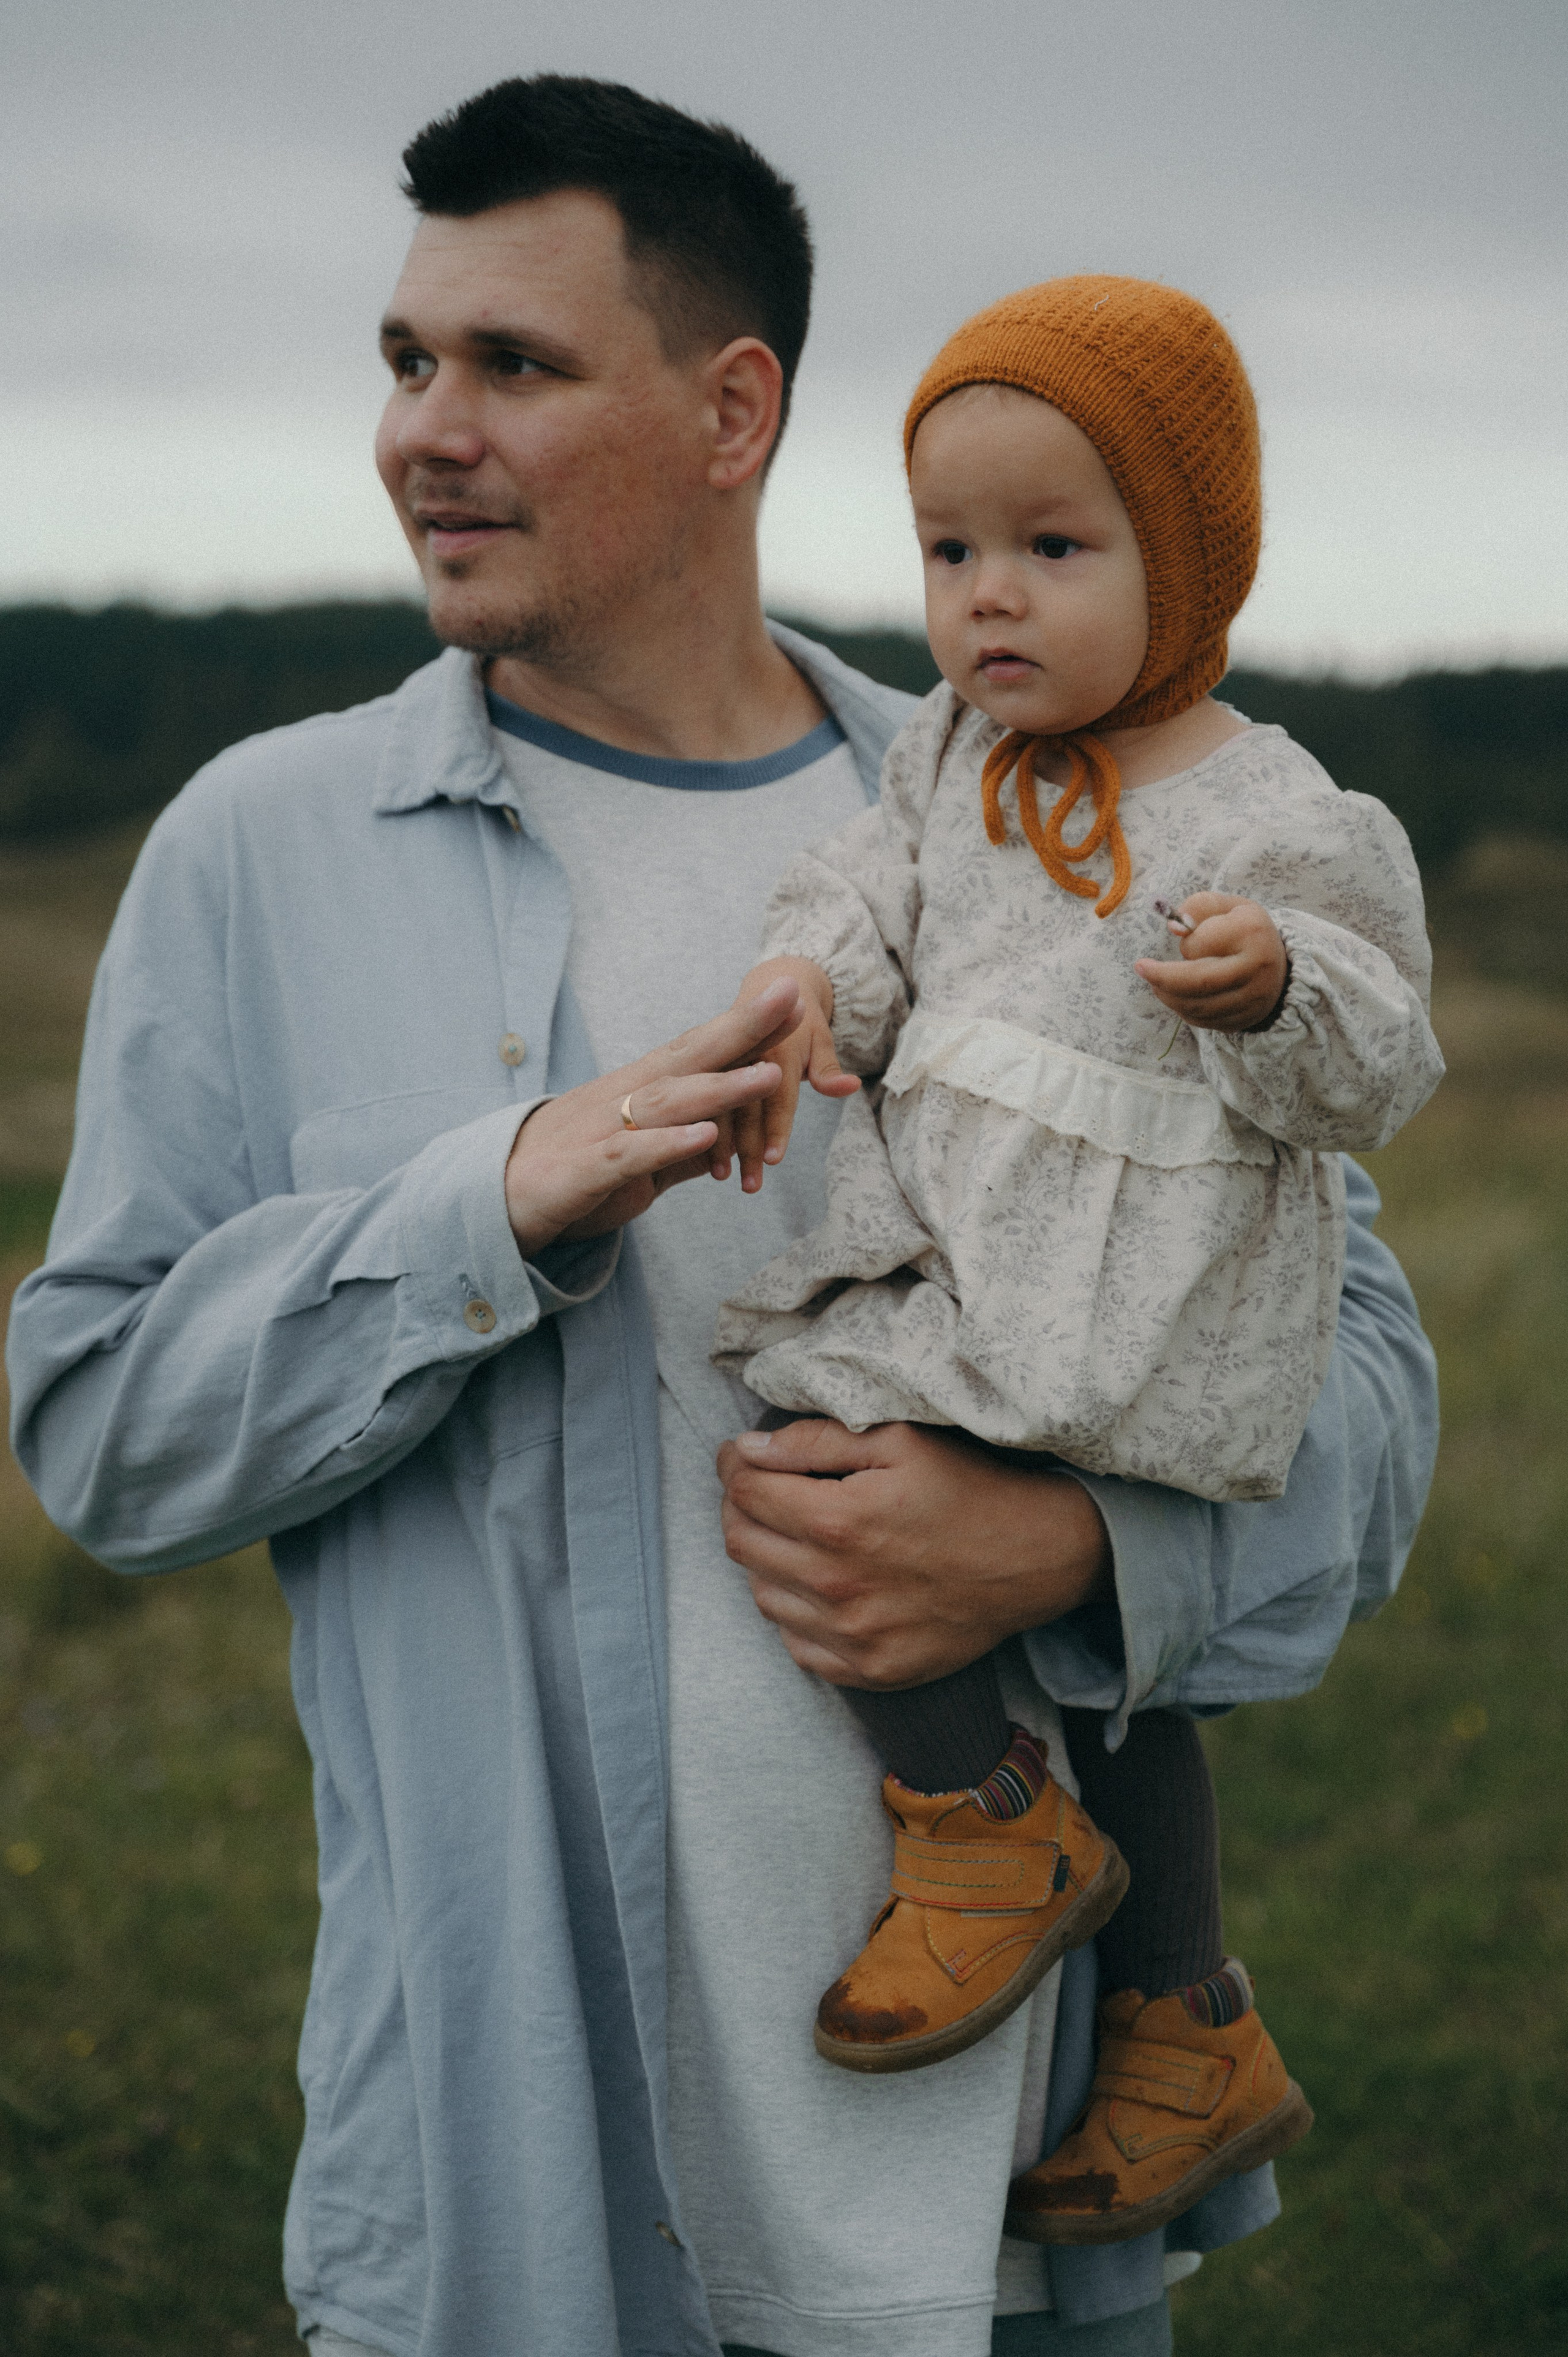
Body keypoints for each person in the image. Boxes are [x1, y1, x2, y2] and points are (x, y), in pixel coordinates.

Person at [5, 75, 1438, 2357]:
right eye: (402, 363)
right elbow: (102, 1434)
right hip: (522, 2188)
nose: (422, 434)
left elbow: (1367, 1408)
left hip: (1002, 2213)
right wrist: (491, 1204)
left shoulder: (1057, 826)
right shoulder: (260, 853)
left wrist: (1073, 1554)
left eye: (514, 366)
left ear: (732, 407)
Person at [711, 276, 1443, 2234]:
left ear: (1186, 559)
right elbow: (863, 902)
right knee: (1119, 1680)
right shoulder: (949, 756)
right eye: (952, 550)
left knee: (834, 1458)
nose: (988, 601)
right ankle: (1193, 2026)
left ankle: (981, 1831)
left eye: (1053, 546)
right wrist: (808, 993)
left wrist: (1278, 983)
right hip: (986, 1251)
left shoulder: (1277, 805)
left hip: (1158, 1292)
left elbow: (1378, 1061)